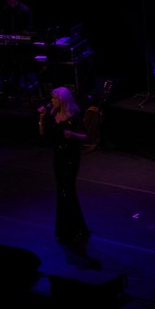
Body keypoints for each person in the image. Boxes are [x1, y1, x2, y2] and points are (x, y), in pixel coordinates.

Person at [38, 87, 95, 261]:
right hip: (58, 156)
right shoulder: (53, 113)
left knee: (68, 191)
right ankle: (64, 229)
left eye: (54, 98)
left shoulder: (73, 115)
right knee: (61, 192)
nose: (52, 101)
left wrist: (72, 133)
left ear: (62, 100)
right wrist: (41, 118)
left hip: (70, 157)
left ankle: (80, 229)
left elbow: (85, 137)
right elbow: (43, 134)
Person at [0, 0, 35, 96]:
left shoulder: (25, 10)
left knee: (18, 66)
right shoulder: (4, 10)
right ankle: (5, 87)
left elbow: (29, 27)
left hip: (21, 45)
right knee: (4, 65)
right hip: (8, 44)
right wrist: (4, 36)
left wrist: (20, 36)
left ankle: (16, 87)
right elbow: (1, 27)